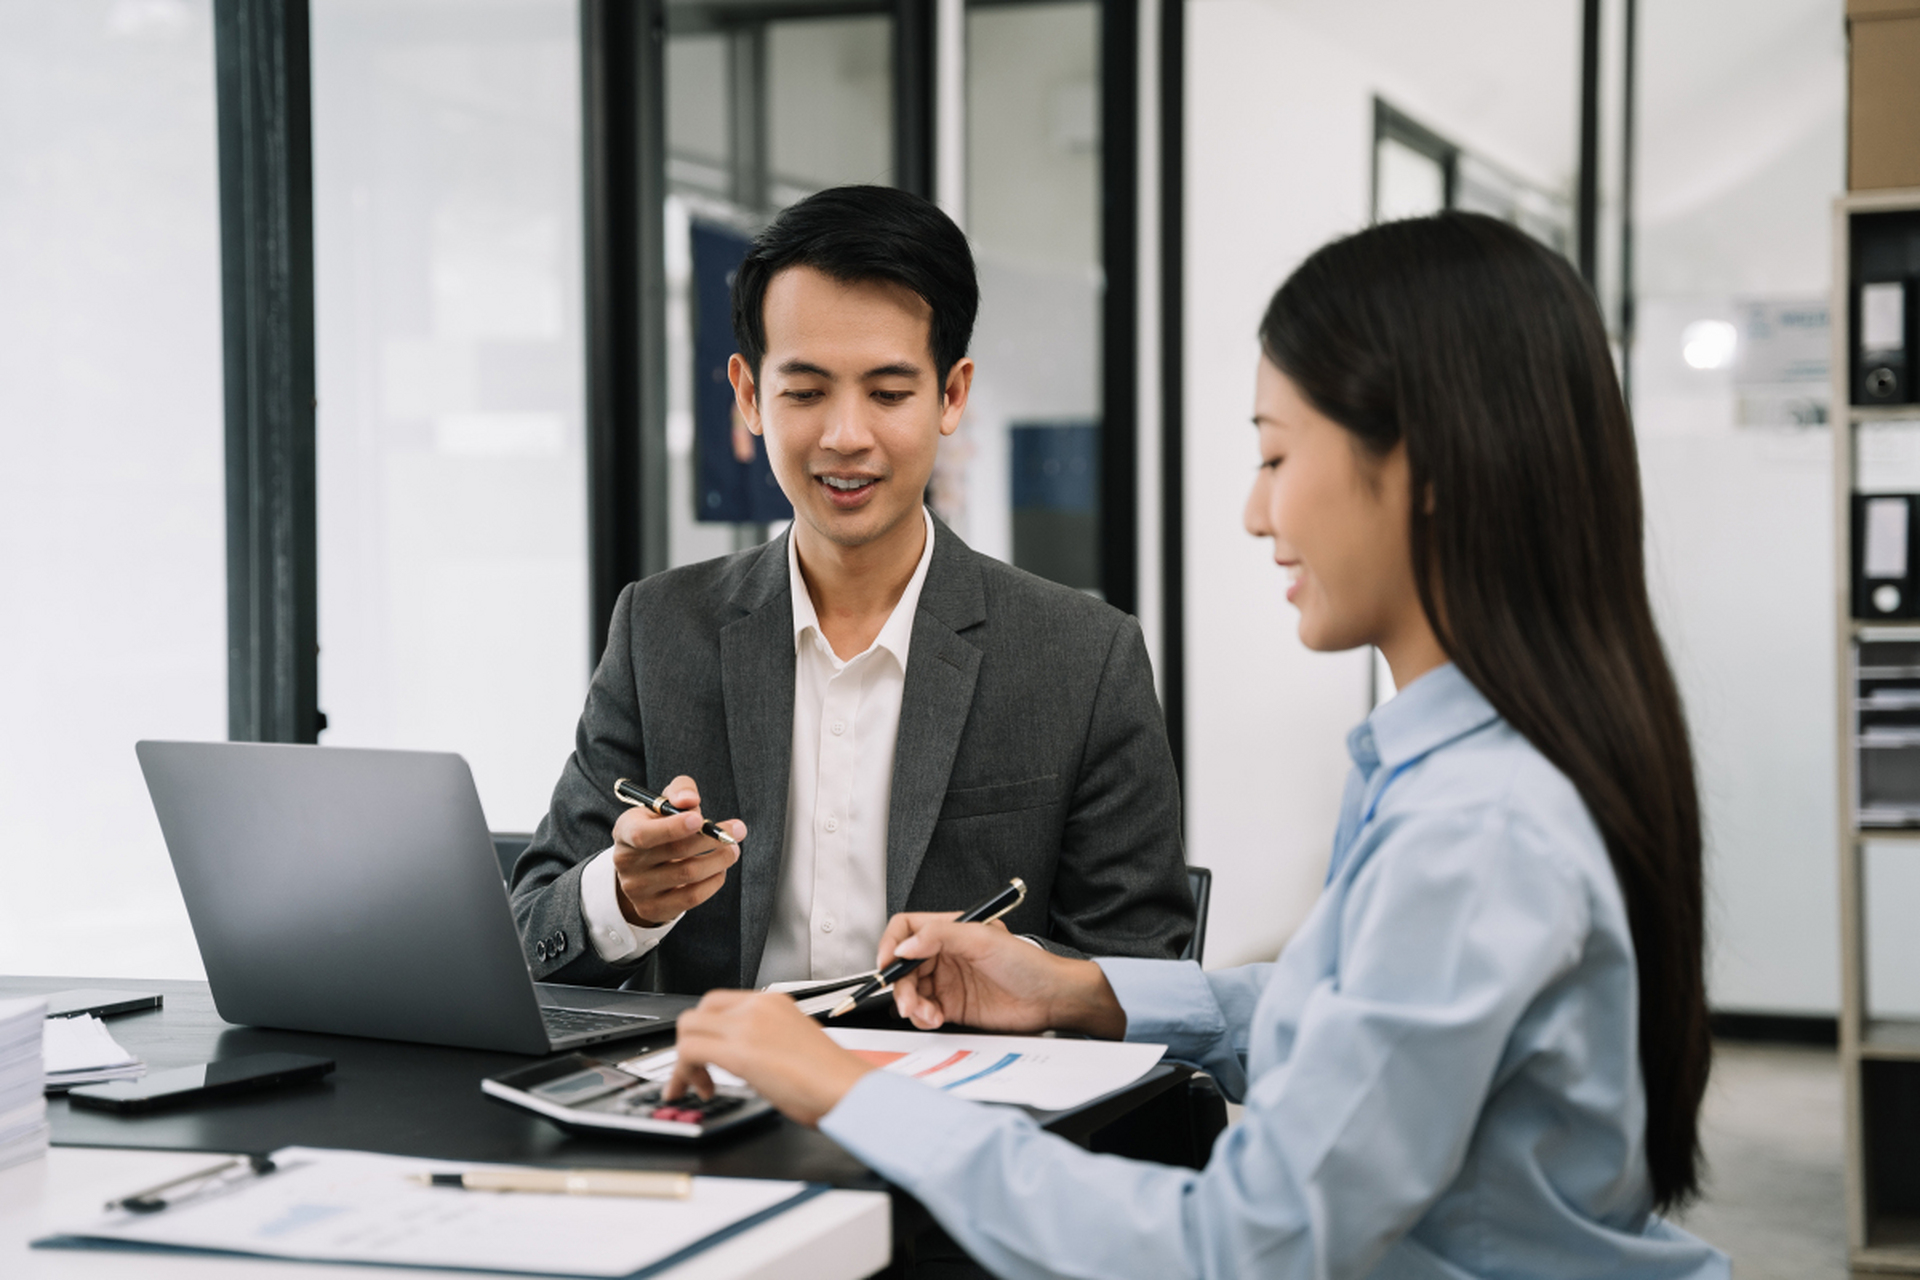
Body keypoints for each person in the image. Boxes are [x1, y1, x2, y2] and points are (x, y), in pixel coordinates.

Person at [664, 212, 1729, 1278]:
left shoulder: (1474, 827)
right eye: (807, 388)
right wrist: (1076, 988)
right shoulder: (1461, 770)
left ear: (1430, 464)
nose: (1255, 510)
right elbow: (1345, 1018)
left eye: (1275, 451)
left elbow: (1241, 1244)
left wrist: (853, 1091)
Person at [510, 185, 1193, 994]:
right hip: (718, 1099)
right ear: (748, 395)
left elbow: (1143, 977)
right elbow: (528, 933)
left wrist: (1028, 983)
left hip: (961, 1103)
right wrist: (621, 897)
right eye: (804, 391)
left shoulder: (1083, 658)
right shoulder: (659, 629)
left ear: (952, 394)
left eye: (889, 392)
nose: (845, 436)